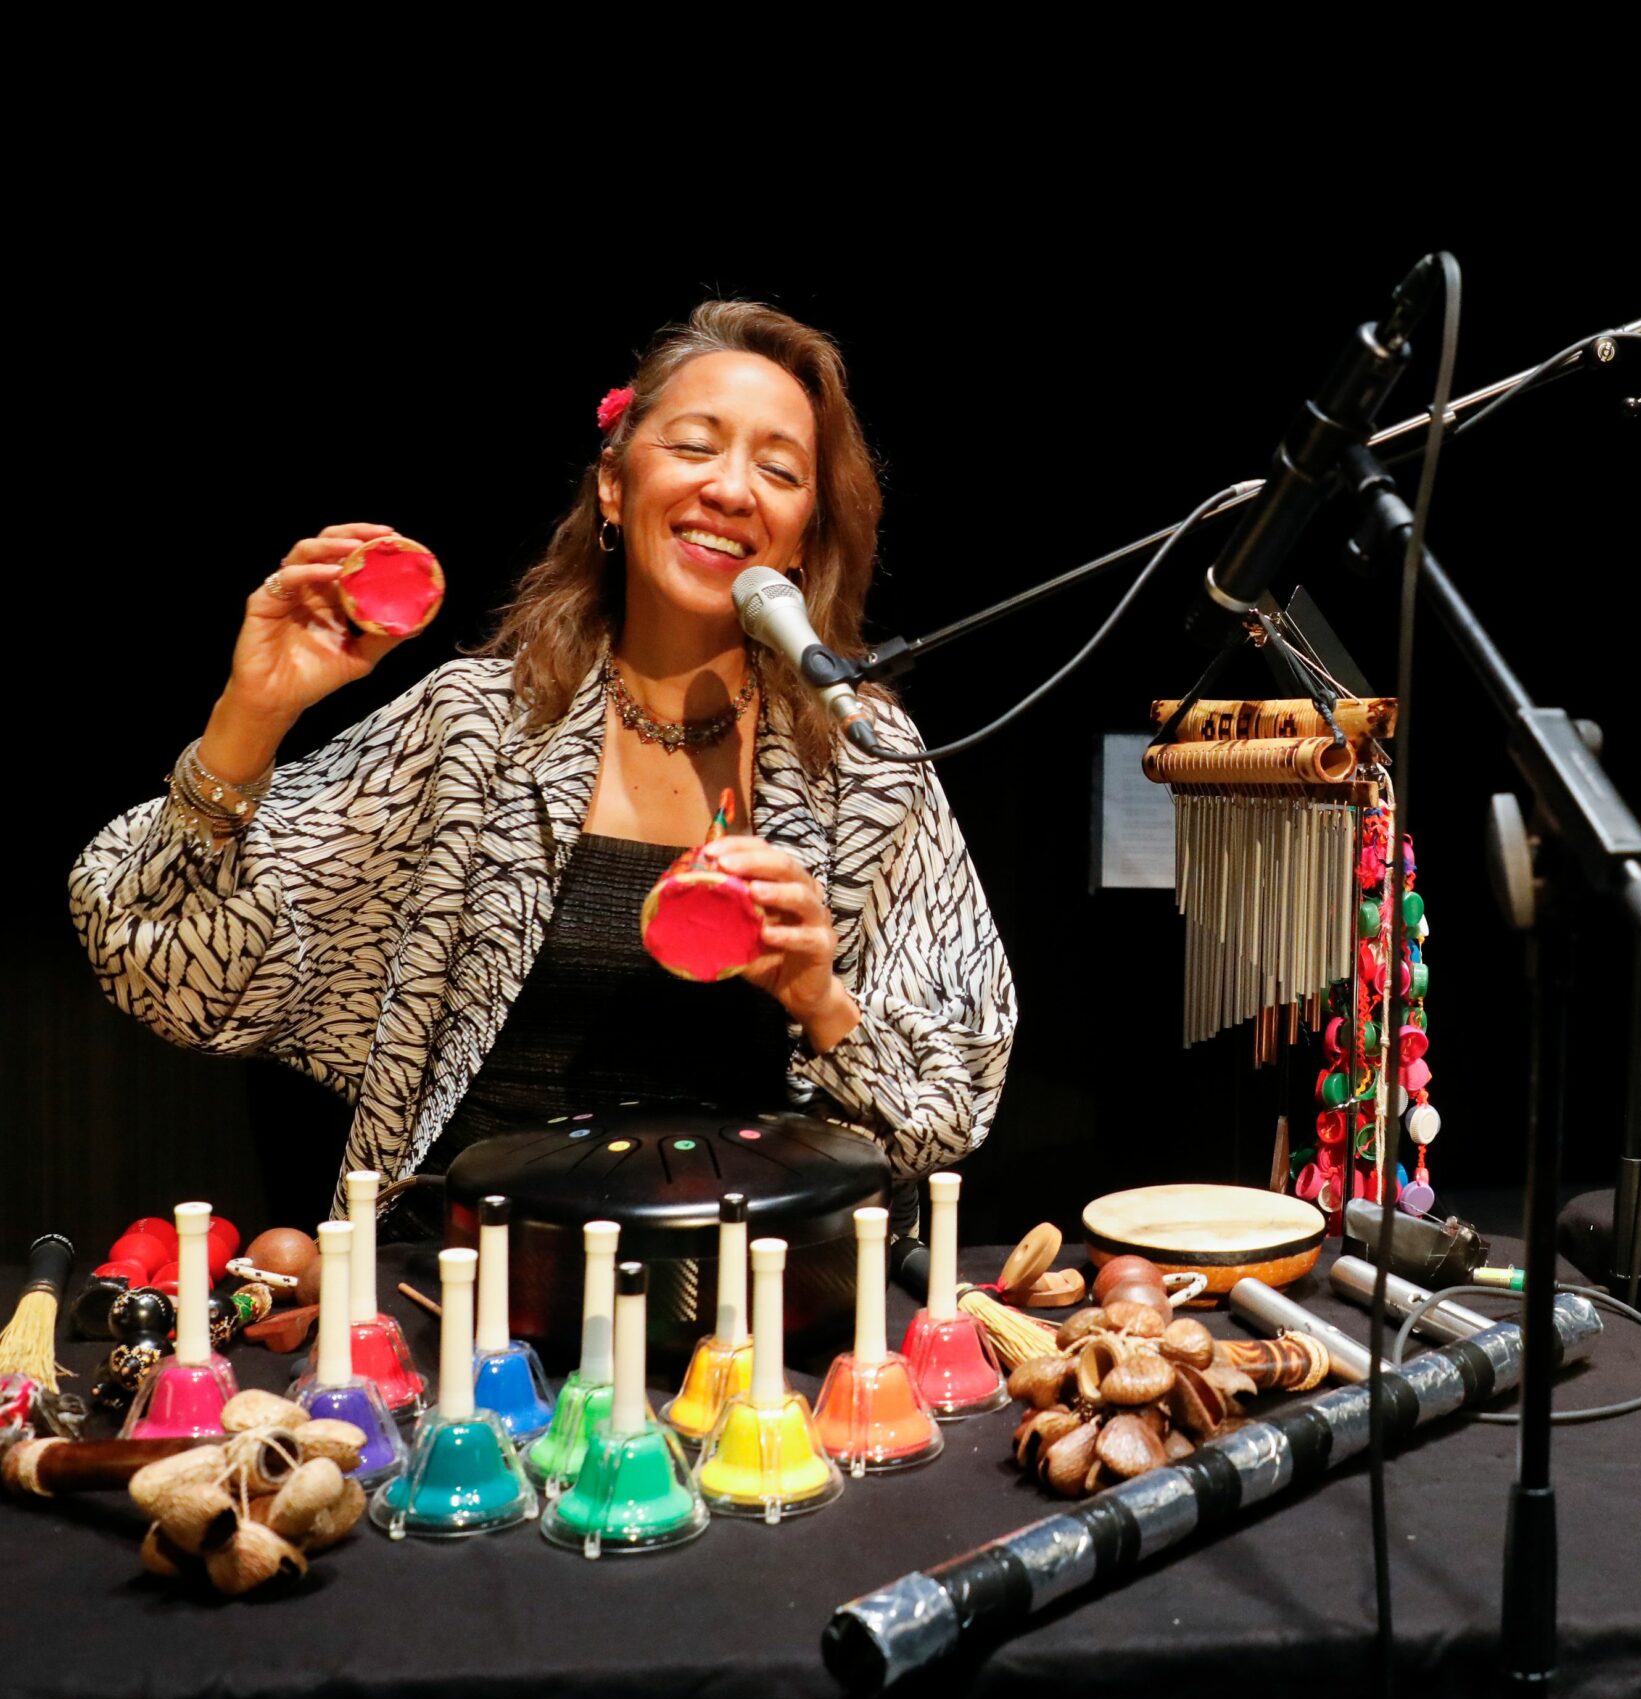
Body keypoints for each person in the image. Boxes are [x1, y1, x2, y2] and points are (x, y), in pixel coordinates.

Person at [69, 301, 1017, 1215]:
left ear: (804, 537)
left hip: (757, 1305)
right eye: (693, 446)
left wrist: (822, 1001)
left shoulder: (867, 764)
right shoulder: (477, 728)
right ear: (614, 484)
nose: (731, 489)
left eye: (778, 469)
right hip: (474, 1295)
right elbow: (166, 969)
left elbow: (948, 1115)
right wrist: (252, 716)